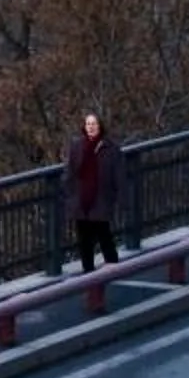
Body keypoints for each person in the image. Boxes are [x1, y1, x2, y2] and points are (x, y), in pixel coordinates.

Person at [64, 110, 124, 271]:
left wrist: (116, 197)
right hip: (82, 199)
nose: (91, 127)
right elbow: (70, 172)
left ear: (100, 126)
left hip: (101, 199)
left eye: (94, 124)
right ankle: (88, 272)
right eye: (88, 124)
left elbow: (118, 175)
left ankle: (114, 269)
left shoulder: (110, 148)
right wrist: (70, 195)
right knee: (84, 240)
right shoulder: (77, 146)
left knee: (104, 236)